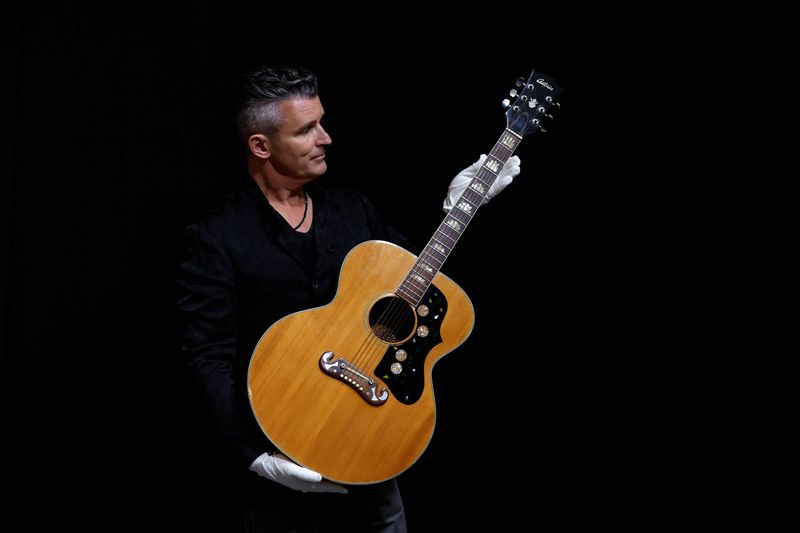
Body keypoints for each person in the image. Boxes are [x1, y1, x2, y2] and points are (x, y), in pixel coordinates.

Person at [176, 65, 521, 532]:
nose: (326, 138)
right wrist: (255, 456)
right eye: (306, 129)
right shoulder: (217, 236)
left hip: (371, 446)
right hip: (280, 457)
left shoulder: (352, 209)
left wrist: (456, 209)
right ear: (261, 146)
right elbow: (208, 354)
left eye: (322, 122)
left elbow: (419, 284)